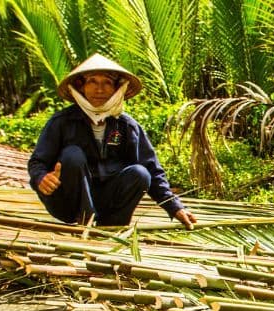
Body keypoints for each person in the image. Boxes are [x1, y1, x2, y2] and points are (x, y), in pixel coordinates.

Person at [28, 54, 196, 229]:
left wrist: (174, 206)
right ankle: (85, 218)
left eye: (107, 82)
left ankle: (112, 225)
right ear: (81, 86)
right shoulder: (62, 122)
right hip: (68, 204)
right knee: (72, 155)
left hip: (107, 201)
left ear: (117, 88)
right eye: (92, 81)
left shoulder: (126, 126)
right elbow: (37, 162)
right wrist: (42, 178)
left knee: (140, 173)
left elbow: (152, 169)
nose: (99, 89)